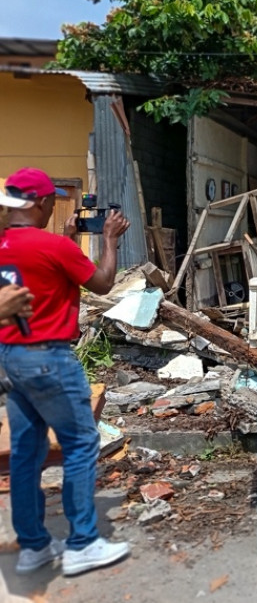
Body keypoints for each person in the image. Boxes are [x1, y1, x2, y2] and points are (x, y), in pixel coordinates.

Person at [0, 167, 132, 577]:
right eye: (52, 200)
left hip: (10, 357)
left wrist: (71, 238)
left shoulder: (6, 244)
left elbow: (42, 274)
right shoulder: (53, 248)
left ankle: (34, 546)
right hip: (49, 358)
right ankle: (83, 543)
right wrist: (108, 239)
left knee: (26, 452)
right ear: (40, 202)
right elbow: (105, 283)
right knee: (80, 444)